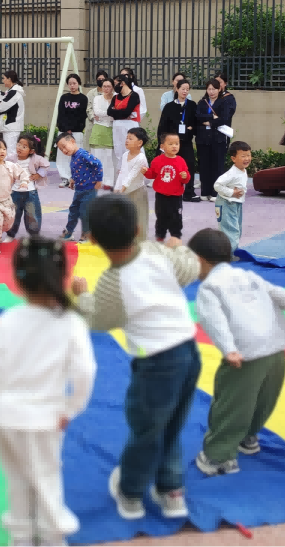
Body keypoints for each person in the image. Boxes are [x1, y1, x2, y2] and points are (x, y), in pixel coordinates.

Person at [70, 195, 201, 521]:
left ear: (93, 238)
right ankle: (171, 491)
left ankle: (130, 493)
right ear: (139, 228)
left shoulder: (113, 282)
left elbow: (98, 321)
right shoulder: (158, 253)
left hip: (156, 365)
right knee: (172, 424)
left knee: (147, 429)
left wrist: (82, 295)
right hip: (189, 352)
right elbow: (192, 268)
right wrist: (178, 247)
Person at [0, 237, 97, 547]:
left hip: (8, 417)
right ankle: (51, 537)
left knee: (16, 481)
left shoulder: (8, 321)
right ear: (63, 276)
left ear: (17, 279)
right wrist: (69, 409)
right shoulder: (70, 322)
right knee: (46, 477)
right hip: (45, 418)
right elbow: (85, 372)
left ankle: (20, 538)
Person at [190, 228, 285, 475]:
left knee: (232, 404)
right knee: (263, 399)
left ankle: (217, 456)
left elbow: (212, 320)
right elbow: (276, 293)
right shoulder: (248, 276)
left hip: (245, 354)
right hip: (275, 348)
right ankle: (248, 437)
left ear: (199, 260)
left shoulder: (209, 288)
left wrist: (228, 349)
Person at [157, 78, 200, 202]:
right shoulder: (169, 106)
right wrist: (162, 144)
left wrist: (191, 129)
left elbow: (195, 124)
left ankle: (189, 192)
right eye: (183, 89)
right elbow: (163, 126)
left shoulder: (192, 105)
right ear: (177, 89)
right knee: (170, 166)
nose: (185, 91)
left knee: (189, 165)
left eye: (187, 89)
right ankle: (170, 191)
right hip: (171, 143)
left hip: (185, 142)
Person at [56, 133, 103, 243]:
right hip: (79, 189)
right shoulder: (74, 156)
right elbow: (76, 169)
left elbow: (98, 164)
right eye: (60, 149)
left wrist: (99, 180)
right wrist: (72, 179)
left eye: (64, 146)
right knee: (73, 211)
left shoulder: (83, 154)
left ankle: (87, 235)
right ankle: (69, 233)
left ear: (72, 141)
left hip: (90, 189)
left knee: (85, 212)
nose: (63, 150)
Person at [4, 133, 50, 242]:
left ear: (31, 151)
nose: (20, 148)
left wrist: (38, 174)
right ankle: (10, 234)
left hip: (30, 193)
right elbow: (4, 164)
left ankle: (34, 236)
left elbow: (46, 165)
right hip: (15, 191)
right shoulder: (12, 157)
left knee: (32, 215)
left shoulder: (36, 158)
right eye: (19, 144)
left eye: (24, 147)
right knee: (12, 215)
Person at [146, 133, 191, 241]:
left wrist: (185, 176)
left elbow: (186, 178)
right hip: (161, 195)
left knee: (176, 217)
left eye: (177, 143)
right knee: (161, 216)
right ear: (162, 147)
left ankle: (176, 236)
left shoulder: (181, 161)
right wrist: (146, 172)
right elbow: (152, 174)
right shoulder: (157, 160)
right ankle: (160, 236)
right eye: (170, 144)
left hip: (176, 196)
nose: (174, 146)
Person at [196, 78, 236, 202]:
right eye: (209, 89)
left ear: (219, 89)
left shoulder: (224, 102)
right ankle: (205, 191)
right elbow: (197, 116)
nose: (211, 92)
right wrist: (211, 117)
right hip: (203, 139)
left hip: (218, 138)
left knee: (217, 166)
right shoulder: (202, 102)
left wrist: (208, 122)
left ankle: (215, 192)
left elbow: (223, 119)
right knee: (204, 165)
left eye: (214, 89)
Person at [115, 128, 150, 243]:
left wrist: (122, 189)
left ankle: (140, 242)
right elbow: (122, 173)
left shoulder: (141, 158)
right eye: (126, 138)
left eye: (130, 138)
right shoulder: (125, 155)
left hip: (138, 192)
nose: (127, 140)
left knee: (140, 217)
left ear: (140, 143)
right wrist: (116, 189)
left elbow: (131, 176)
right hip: (125, 191)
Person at [214, 141, 251, 251]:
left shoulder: (243, 170)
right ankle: (228, 254)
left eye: (248, 155)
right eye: (243, 156)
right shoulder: (231, 173)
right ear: (233, 159)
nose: (247, 158)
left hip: (236, 203)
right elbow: (217, 185)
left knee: (237, 228)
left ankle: (231, 251)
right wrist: (231, 193)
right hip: (226, 203)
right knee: (230, 229)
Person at [107, 74, 143, 188]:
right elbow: (109, 111)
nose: (114, 86)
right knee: (119, 152)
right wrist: (120, 113)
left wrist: (116, 112)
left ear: (122, 83)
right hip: (117, 127)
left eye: (116, 83)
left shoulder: (134, 96)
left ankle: (134, 179)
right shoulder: (115, 97)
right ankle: (120, 180)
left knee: (133, 149)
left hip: (130, 126)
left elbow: (127, 112)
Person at [56, 73, 88, 188]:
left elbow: (82, 116)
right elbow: (61, 115)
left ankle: (75, 178)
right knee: (62, 155)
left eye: (74, 83)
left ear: (78, 83)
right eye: (70, 84)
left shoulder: (83, 99)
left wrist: (74, 129)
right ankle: (65, 178)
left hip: (77, 131)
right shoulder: (64, 98)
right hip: (64, 131)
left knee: (76, 155)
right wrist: (64, 129)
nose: (72, 86)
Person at [88, 78, 118, 184]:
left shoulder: (116, 98)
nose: (106, 88)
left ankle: (109, 182)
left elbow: (116, 114)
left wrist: (107, 114)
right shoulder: (97, 98)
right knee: (97, 157)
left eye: (108, 86)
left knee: (110, 158)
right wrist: (111, 113)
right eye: (104, 86)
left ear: (113, 87)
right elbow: (97, 111)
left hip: (111, 128)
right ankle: (98, 180)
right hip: (98, 129)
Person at [0, 71, 27, 157]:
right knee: (9, 151)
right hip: (10, 127)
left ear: (9, 79)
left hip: (12, 127)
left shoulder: (14, 92)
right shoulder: (11, 91)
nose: (2, 81)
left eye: (4, 78)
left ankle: (11, 170)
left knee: (10, 153)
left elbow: (1, 107)